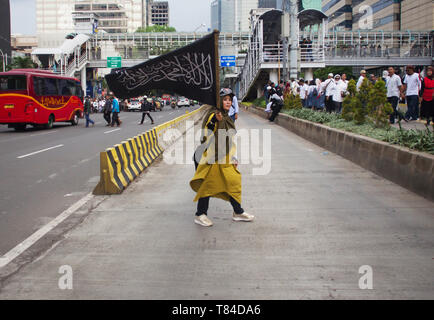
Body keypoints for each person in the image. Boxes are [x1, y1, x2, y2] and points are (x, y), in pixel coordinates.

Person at [190, 88, 254, 227]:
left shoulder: (225, 116)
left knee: (232, 180)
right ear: (219, 101)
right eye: (225, 99)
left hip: (221, 155)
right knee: (206, 184)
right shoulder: (214, 115)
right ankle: (200, 214)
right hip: (206, 155)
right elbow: (206, 135)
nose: (228, 102)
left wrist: (234, 157)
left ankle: (238, 212)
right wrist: (215, 122)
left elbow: (228, 140)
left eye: (229, 100)